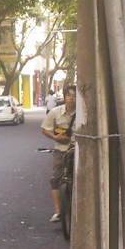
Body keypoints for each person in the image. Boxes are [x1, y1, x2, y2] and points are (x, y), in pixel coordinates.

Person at [41, 85, 76, 223]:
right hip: (61, 150)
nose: (72, 98)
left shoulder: (84, 113)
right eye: (69, 95)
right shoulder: (55, 112)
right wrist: (55, 137)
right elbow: (44, 129)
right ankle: (58, 211)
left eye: (74, 96)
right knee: (55, 179)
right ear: (64, 97)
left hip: (79, 150)